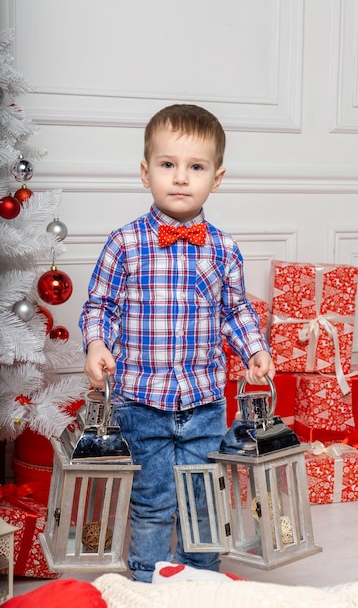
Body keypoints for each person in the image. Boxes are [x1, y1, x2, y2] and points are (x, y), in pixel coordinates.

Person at [79, 103, 275, 582]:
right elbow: (98, 306)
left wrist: (253, 350)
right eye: (168, 165)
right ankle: (147, 583)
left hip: (204, 402)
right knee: (152, 501)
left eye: (196, 167)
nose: (181, 178)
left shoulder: (224, 248)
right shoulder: (123, 243)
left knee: (203, 501)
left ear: (218, 177)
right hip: (141, 402)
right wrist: (95, 344)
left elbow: (234, 311)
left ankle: (199, 583)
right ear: (146, 173)